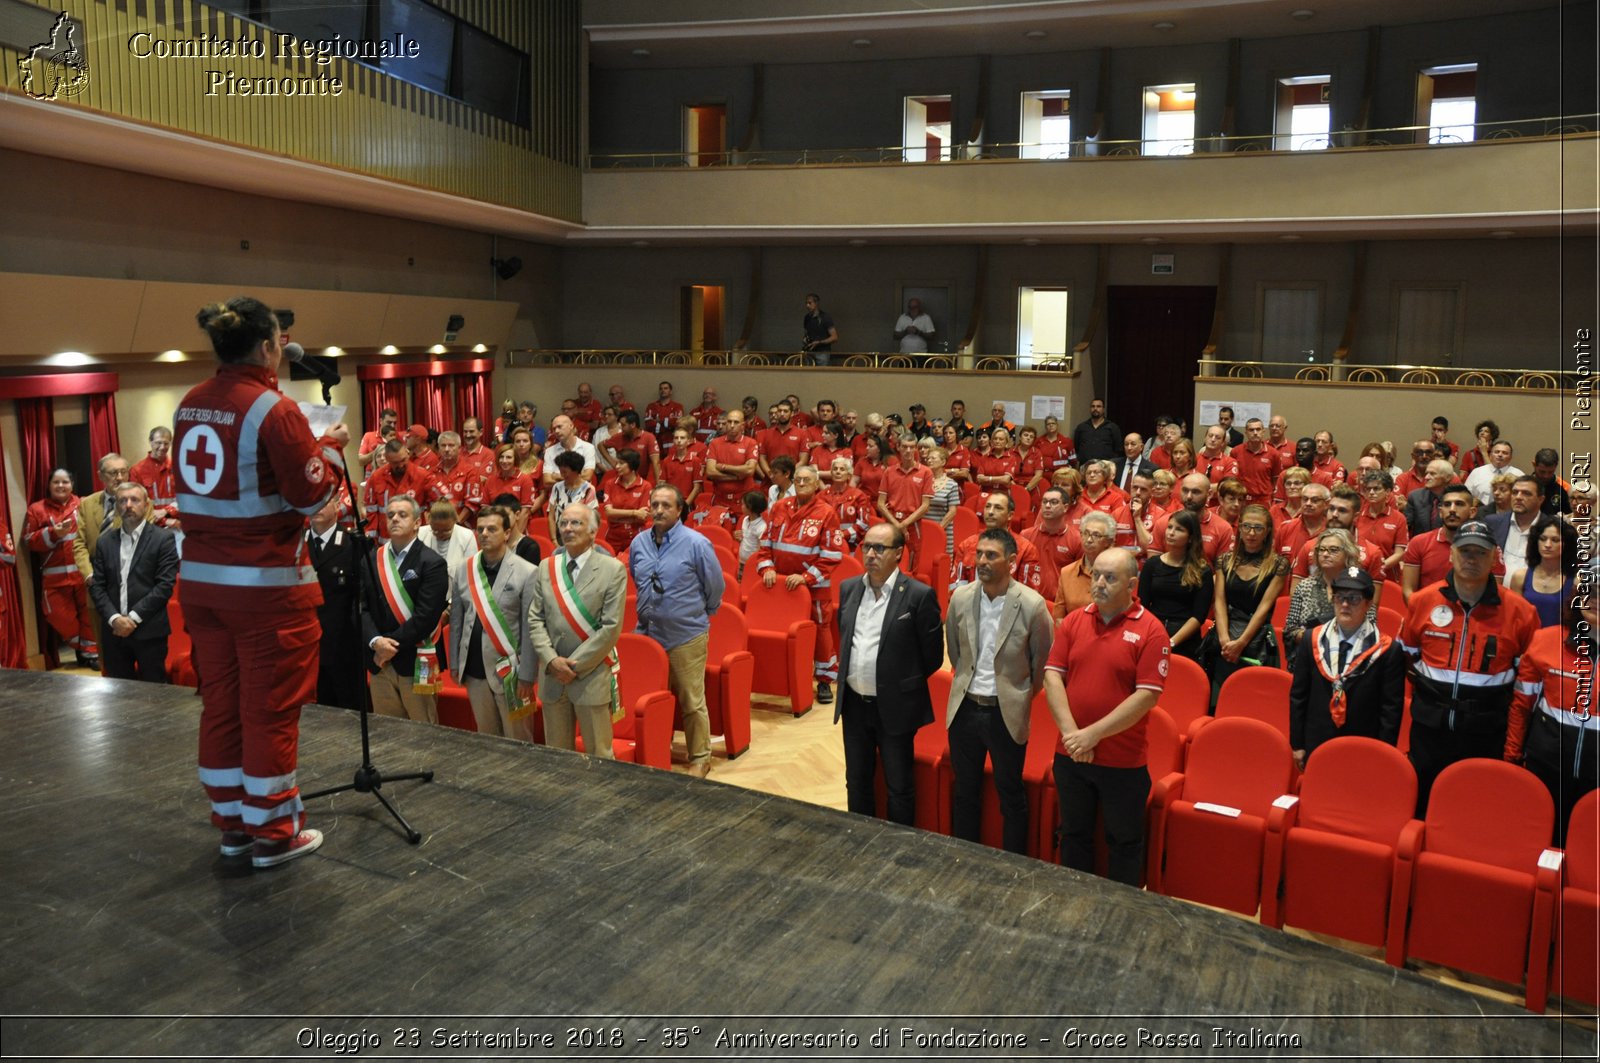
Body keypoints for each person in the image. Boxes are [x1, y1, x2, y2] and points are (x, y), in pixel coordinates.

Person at [180, 296, 347, 868]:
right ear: (268, 346)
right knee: (270, 709)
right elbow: (315, 494)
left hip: (202, 588)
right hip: (264, 591)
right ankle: (275, 830)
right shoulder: (272, 411)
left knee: (222, 706)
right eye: (279, 338)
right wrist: (328, 450)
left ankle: (233, 825)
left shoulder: (190, 405)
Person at [1045, 547, 1170, 885]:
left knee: (1124, 843)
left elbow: (1146, 697)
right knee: (1072, 834)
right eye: (1096, 574)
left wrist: (1092, 735)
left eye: (1109, 577)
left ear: (1132, 584)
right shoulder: (1074, 620)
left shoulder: (1151, 630)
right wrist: (1074, 736)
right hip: (1071, 754)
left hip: (1121, 762)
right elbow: (1053, 675)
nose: (1098, 583)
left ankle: (1120, 913)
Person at [1401, 519, 1540, 814]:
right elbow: (1408, 659)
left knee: (1474, 809)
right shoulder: (1423, 601)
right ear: (1451, 554)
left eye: (1480, 552)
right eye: (1465, 551)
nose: (1471, 559)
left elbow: (1525, 686)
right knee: (1422, 805)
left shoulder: (1521, 612)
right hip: (1429, 730)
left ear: (1495, 557)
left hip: (1487, 732)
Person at [945, 528, 1053, 854]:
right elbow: (955, 652)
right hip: (965, 708)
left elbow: (1041, 664)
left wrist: (1017, 695)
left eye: (990, 555)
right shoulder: (961, 598)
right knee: (965, 790)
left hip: (1005, 713)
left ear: (1011, 561)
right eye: (979, 554)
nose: (981, 561)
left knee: (1010, 792)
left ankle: (1013, 863)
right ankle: (965, 856)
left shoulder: (1032, 606)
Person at [834, 521, 944, 824]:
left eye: (879, 548)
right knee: (856, 779)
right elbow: (843, 637)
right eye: (866, 547)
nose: (870, 554)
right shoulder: (849, 588)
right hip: (855, 704)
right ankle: (858, 834)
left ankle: (896, 844)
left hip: (895, 705)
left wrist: (899, 682)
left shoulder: (918, 595)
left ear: (898, 553)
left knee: (898, 786)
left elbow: (932, 657)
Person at [630, 485, 725, 778]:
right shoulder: (639, 543)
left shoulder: (697, 543)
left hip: (685, 634)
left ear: (679, 510)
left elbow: (715, 587)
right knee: (651, 698)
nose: (658, 510)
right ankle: (657, 748)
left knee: (691, 700)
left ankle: (700, 757)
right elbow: (636, 577)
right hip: (648, 634)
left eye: (666, 505)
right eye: (654, 504)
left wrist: (696, 614)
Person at [1505, 561, 1600, 844]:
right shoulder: (1545, 642)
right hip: (1545, 769)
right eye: (1589, 590)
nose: (1594, 599)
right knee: (1537, 845)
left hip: (1596, 784)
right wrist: (1511, 757)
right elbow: (1521, 706)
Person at [527, 503, 628, 757]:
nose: (568, 529)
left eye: (576, 523)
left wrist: (572, 666)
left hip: (590, 675)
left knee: (599, 754)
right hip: (552, 675)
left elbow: (611, 627)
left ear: (594, 531)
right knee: (558, 755)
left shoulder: (612, 569)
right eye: (563, 523)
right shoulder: (546, 567)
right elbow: (535, 619)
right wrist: (551, 661)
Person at [1288, 566, 1407, 769]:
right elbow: (1299, 695)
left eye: (1353, 599)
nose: (1344, 604)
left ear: (1368, 603)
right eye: (1339, 597)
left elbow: (1391, 711)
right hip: (1316, 741)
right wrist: (1298, 743)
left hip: (1363, 745)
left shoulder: (1387, 650)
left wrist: (1383, 753)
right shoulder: (1312, 640)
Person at [755, 464, 844, 701]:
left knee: (821, 630)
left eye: (807, 480)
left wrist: (806, 578)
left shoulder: (827, 513)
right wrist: (768, 569)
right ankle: (783, 678)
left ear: (817, 485)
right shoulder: (779, 507)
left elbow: (832, 555)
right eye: (798, 480)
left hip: (814, 586)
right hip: (781, 587)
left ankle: (824, 680)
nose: (802, 483)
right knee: (782, 631)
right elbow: (766, 544)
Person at [361, 496, 450, 725]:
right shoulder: (372, 559)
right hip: (380, 662)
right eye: (390, 515)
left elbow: (426, 617)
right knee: (386, 731)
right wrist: (375, 642)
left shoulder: (433, 563)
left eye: (402, 515)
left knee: (423, 733)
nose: (395, 519)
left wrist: (387, 645)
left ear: (417, 522)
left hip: (415, 659)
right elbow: (362, 607)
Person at [88, 482, 178, 683]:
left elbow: (164, 586)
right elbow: (97, 585)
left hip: (149, 631)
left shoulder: (163, 540)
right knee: (119, 697)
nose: (128, 505)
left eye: (134, 500)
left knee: (153, 695)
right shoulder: (104, 542)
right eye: (122, 500)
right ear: (117, 507)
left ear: (146, 505)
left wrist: (133, 618)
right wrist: (114, 619)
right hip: (114, 633)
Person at [1203, 504, 1288, 690]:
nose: (1251, 533)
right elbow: (1220, 601)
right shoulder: (1224, 560)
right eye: (1246, 526)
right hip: (1224, 634)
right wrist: (1225, 640)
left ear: (1267, 532)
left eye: (1258, 528)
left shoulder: (1278, 565)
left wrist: (1240, 643)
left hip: (1255, 637)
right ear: (1239, 528)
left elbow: (1264, 607)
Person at [24, 468, 97, 670]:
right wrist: (52, 533)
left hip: (83, 575)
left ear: (72, 484)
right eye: (56, 482)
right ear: (49, 485)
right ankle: (83, 648)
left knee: (89, 616)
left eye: (65, 482)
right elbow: (29, 541)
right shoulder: (36, 510)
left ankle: (90, 655)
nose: (61, 486)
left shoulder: (84, 504)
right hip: (54, 580)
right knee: (58, 617)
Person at [306, 495, 363, 711]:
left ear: (338, 506)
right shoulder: (297, 544)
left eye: (324, 501)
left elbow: (360, 598)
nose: (317, 507)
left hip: (343, 646)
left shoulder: (353, 544)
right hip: (306, 647)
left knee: (348, 711)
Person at [1285, 529, 1374, 663]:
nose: (1325, 554)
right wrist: (1315, 637)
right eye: (1321, 550)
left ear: (1348, 553)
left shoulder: (1360, 587)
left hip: (1350, 658)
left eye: (1333, 550)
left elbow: (1370, 626)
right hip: (1310, 658)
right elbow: (1290, 631)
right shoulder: (1304, 587)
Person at [1139, 509, 1213, 662]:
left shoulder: (1202, 570)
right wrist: (1154, 637)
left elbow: (1198, 616)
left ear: (1191, 538)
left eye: (1179, 529)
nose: (1171, 533)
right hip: (1153, 633)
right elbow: (1143, 606)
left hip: (1184, 639)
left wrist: (1171, 642)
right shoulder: (1152, 564)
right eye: (1170, 527)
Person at [72, 452, 130, 649]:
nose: (120, 477)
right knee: (105, 647)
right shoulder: (88, 504)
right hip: (97, 585)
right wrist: (88, 575)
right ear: (101, 476)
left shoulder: (139, 502)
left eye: (123, 472)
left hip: (127, 584)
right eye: (113, 473)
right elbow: (79, 544)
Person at [1400, 483, 1485, 603]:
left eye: (1459, 504)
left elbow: (1492, 595)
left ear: (1472, 512)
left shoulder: (1486, 548)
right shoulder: (1419, 543)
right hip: (1427, 615)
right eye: (1447, 504)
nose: (1452, 510)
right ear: (1440, 512)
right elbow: (1408, 591)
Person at [1505, 517, 1576, 629]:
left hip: (1558, 642)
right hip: (1526, 642)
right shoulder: (1520, 577)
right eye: (1542, 539)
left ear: (1566, 544)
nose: (1547, 545)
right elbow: (1513, 618)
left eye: (1555, 540)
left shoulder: (1576, 581)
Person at [362, 439, 437, 541]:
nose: (401, 465)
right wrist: (371, 541)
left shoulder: (423, 476)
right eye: (395, 463)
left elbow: (440, 504)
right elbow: (371, 513)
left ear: (407, 453)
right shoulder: (376, 478)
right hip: (385, 542)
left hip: (415, 540)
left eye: (403, 460)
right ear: (387, 459)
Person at [879, 436, 934, 572]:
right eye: (904, 447)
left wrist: (904, 524)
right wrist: (897, 525)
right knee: (888, 561)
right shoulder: (889, 471)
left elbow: (925, 506)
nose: (908, 450)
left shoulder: (925, 472)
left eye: (911, 447)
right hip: (891, 522)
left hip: (913, 524)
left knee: (911, 566)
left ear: (915, 448)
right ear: (898, 447)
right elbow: (880, 504)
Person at [1050, 509, 1116, 619]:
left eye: (1096, 535)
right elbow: (1058, 618)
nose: (1089, 540)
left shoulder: (1119, 573)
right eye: (1085, 533)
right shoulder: (1067, 572)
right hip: (1073, 633)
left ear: (1108, 541)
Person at [704, 409, 761, 524]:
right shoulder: (715, 443)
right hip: (720, 500)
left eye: (736, 422)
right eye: (729, 422)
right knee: (718, 536)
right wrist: (736, 476)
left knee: (740, 536)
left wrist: (724, 467)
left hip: (744, 502)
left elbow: (749, 470)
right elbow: (710, 472)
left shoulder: (750, 443)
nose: (731, 425)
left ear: (742, 426)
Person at [1486, 475, 1545, 584]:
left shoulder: (1552, 528)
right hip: (1497, 594)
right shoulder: (1493, 523)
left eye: (1526, 493)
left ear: (1540, 499)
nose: (1518, 497)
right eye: (1515, 492)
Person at [416, 499, 479, 596]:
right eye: (435, 530)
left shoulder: (467, 536)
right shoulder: (420, 534)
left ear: (455, 521)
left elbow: (471, 576)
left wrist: (451, 605)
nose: (440, 534)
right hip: (425, 595)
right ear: (429, 520)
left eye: (446, 530)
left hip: (456, 597)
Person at [602, 448, 653, 556]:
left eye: (621, 463)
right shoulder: (610, 484)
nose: (617, 467)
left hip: (636, 535)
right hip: (613, 535)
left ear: (632, 465)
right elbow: (609, 513)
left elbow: (643, 516)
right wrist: (634, 513)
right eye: (617, 463)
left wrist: (618, 514)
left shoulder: (645, 486)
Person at [130, 426, 180, 530]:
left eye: (166, 443)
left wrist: (167, 511)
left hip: (178, 524)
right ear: (150, 442)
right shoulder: (137, 471)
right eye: (158, 443)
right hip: (151, 527)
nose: (162, 447)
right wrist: (165, 521)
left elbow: (186, 499)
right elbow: (136, 506)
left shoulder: (178, 468)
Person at [430, 431, 485, 525]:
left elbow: (472, 503)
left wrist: (456, 524)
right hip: (437, 526)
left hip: (462, 526)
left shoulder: (471, 471)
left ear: (459, 448)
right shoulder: (431, 472)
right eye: (443, 445)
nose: (447, 449)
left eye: (451, 445)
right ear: (438, 448)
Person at [822, 456, 874, 553]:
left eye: (842, 469)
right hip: (826, 545)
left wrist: (843, 535)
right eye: (835, 469)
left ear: (849, 475)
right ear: (831, 473)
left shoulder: (859, 496)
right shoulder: (821, 496)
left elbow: (863, 526)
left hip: (852, 546)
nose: (838, 472)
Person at [1463, 439, 1522, 507]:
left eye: (1504, 453)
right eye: (1497, 452)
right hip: (1480, 513)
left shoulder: (1519, 475)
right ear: (1490, 455)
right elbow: (1466, 495)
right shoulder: (1477, 472)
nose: (1500, 455)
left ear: (1510, 457)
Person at [542, 414, 597, 485]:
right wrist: (577, 477)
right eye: (554, 429)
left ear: (571, 426)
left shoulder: (588, 447)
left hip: (581, 493)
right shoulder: (549, 451)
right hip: (558, 494)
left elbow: (587, 477)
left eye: (559, 427)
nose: (556, 431)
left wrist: (557, 476)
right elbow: (547, 482)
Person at [1072, 398, 1120, 463]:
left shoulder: (1112, 427)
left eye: (1098, 406)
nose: (1095, 409)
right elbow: (1076, 447)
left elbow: (1118, 449)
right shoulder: (1081, 427)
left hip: (1105, 467)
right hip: (1085, 466)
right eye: (1093, 406)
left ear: (1103, 409)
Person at [802, 292, 838, 365]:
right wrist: (805, 339)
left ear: (816, 303)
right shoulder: (807, 318)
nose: (807, 305)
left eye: (810, 303)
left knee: (821, 375)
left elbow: (834, 337)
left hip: (822, 353)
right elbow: (807, 332)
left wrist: (819, 342)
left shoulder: (825, 317)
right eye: (806, 303)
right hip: (809, 351)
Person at [646, 380, 685, 445]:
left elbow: (678, 424)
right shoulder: (651, 406)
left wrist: (660, 421)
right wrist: (668, 422)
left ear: (671, 391)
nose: (663, 390)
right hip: (655, 439)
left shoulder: (677, 406)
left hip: (671, 440)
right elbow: (649, 424)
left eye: (666, 388)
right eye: (661, 388)